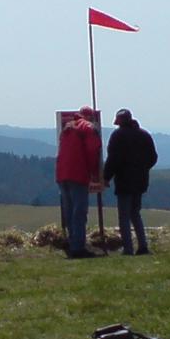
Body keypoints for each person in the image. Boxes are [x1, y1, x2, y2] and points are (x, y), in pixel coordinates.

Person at [103, 108, 158, 255]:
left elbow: (113, 160)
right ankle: (143, 246)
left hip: (124, 181)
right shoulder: (144, 135)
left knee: (124, 216)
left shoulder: (118, 136)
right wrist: (143, 169)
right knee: (135, 214)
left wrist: (106, 177)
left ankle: (128, 248)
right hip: (140, 181)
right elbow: (153, 158)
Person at [56, 106, 103, 259]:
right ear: (91, 117)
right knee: (79, 213)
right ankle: (78, 247)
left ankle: (72, 244)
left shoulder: (67, 128)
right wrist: (94, 173)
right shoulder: (88, 128)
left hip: (62, 174)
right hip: (78, 174)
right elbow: (93, 151)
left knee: (69, 212)